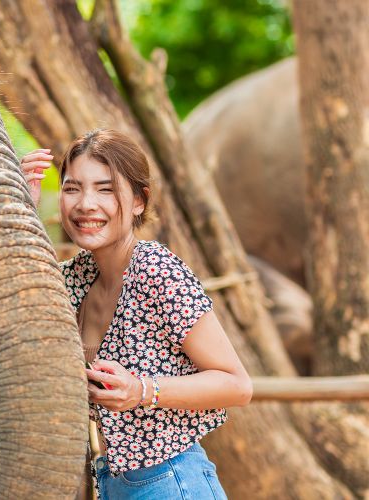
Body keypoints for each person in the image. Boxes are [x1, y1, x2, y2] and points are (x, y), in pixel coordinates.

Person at [21, 129, 252, 500]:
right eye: (72, 188)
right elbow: (18, 306)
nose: (85, 204)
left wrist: (140, 390)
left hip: (172, 481)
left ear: (140, 201)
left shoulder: (156, 269)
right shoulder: (76, 276)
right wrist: (22, 211)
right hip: (110, 482)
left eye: (106, 189)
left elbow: (238, 385)